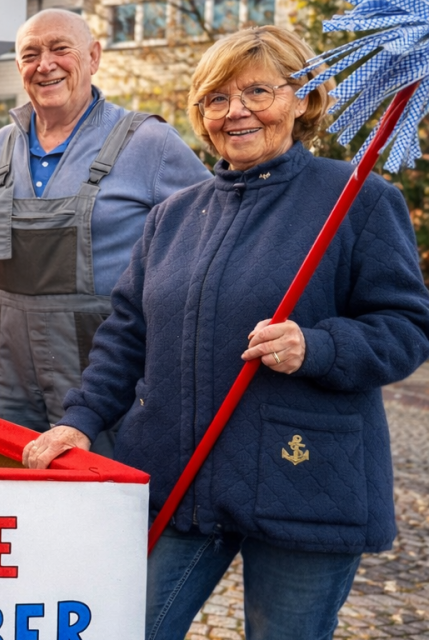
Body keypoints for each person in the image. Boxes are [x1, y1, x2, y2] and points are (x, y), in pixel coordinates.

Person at [22, 26, 429, 639]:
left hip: (304, 477)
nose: (234, 111)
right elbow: (127, 336)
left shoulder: (358, 200)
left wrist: (316, 346)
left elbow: (405, 327)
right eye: (216, 97)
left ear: (302, 99)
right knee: (131, 627)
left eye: (257, 92)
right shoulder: (174, 216)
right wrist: (79, 419)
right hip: (180, 475)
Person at [0, 9, 209, 434]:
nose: (45, 64)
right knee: (17, 489)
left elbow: (209, 243)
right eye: (30, 54)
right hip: (9, 374)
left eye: (60, 49)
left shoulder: (151, 144)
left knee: (101, 493)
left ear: (93, 56)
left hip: (107, 378)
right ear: (18, 67)